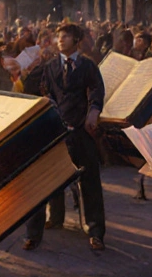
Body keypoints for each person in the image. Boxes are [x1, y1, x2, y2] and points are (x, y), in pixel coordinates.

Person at [22, 22, 107, 252]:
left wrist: (94, 111)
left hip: (80, 129)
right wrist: (27, 69)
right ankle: (35, 233)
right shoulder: (49, 66)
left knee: (90, 181)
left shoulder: (88, 65)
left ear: (76, 40)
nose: (61, 39)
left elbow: (97, 90)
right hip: (56, 130)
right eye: (59, 36)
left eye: (66, 36)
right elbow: (36, 88)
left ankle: (96, 231)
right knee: (44, 180)